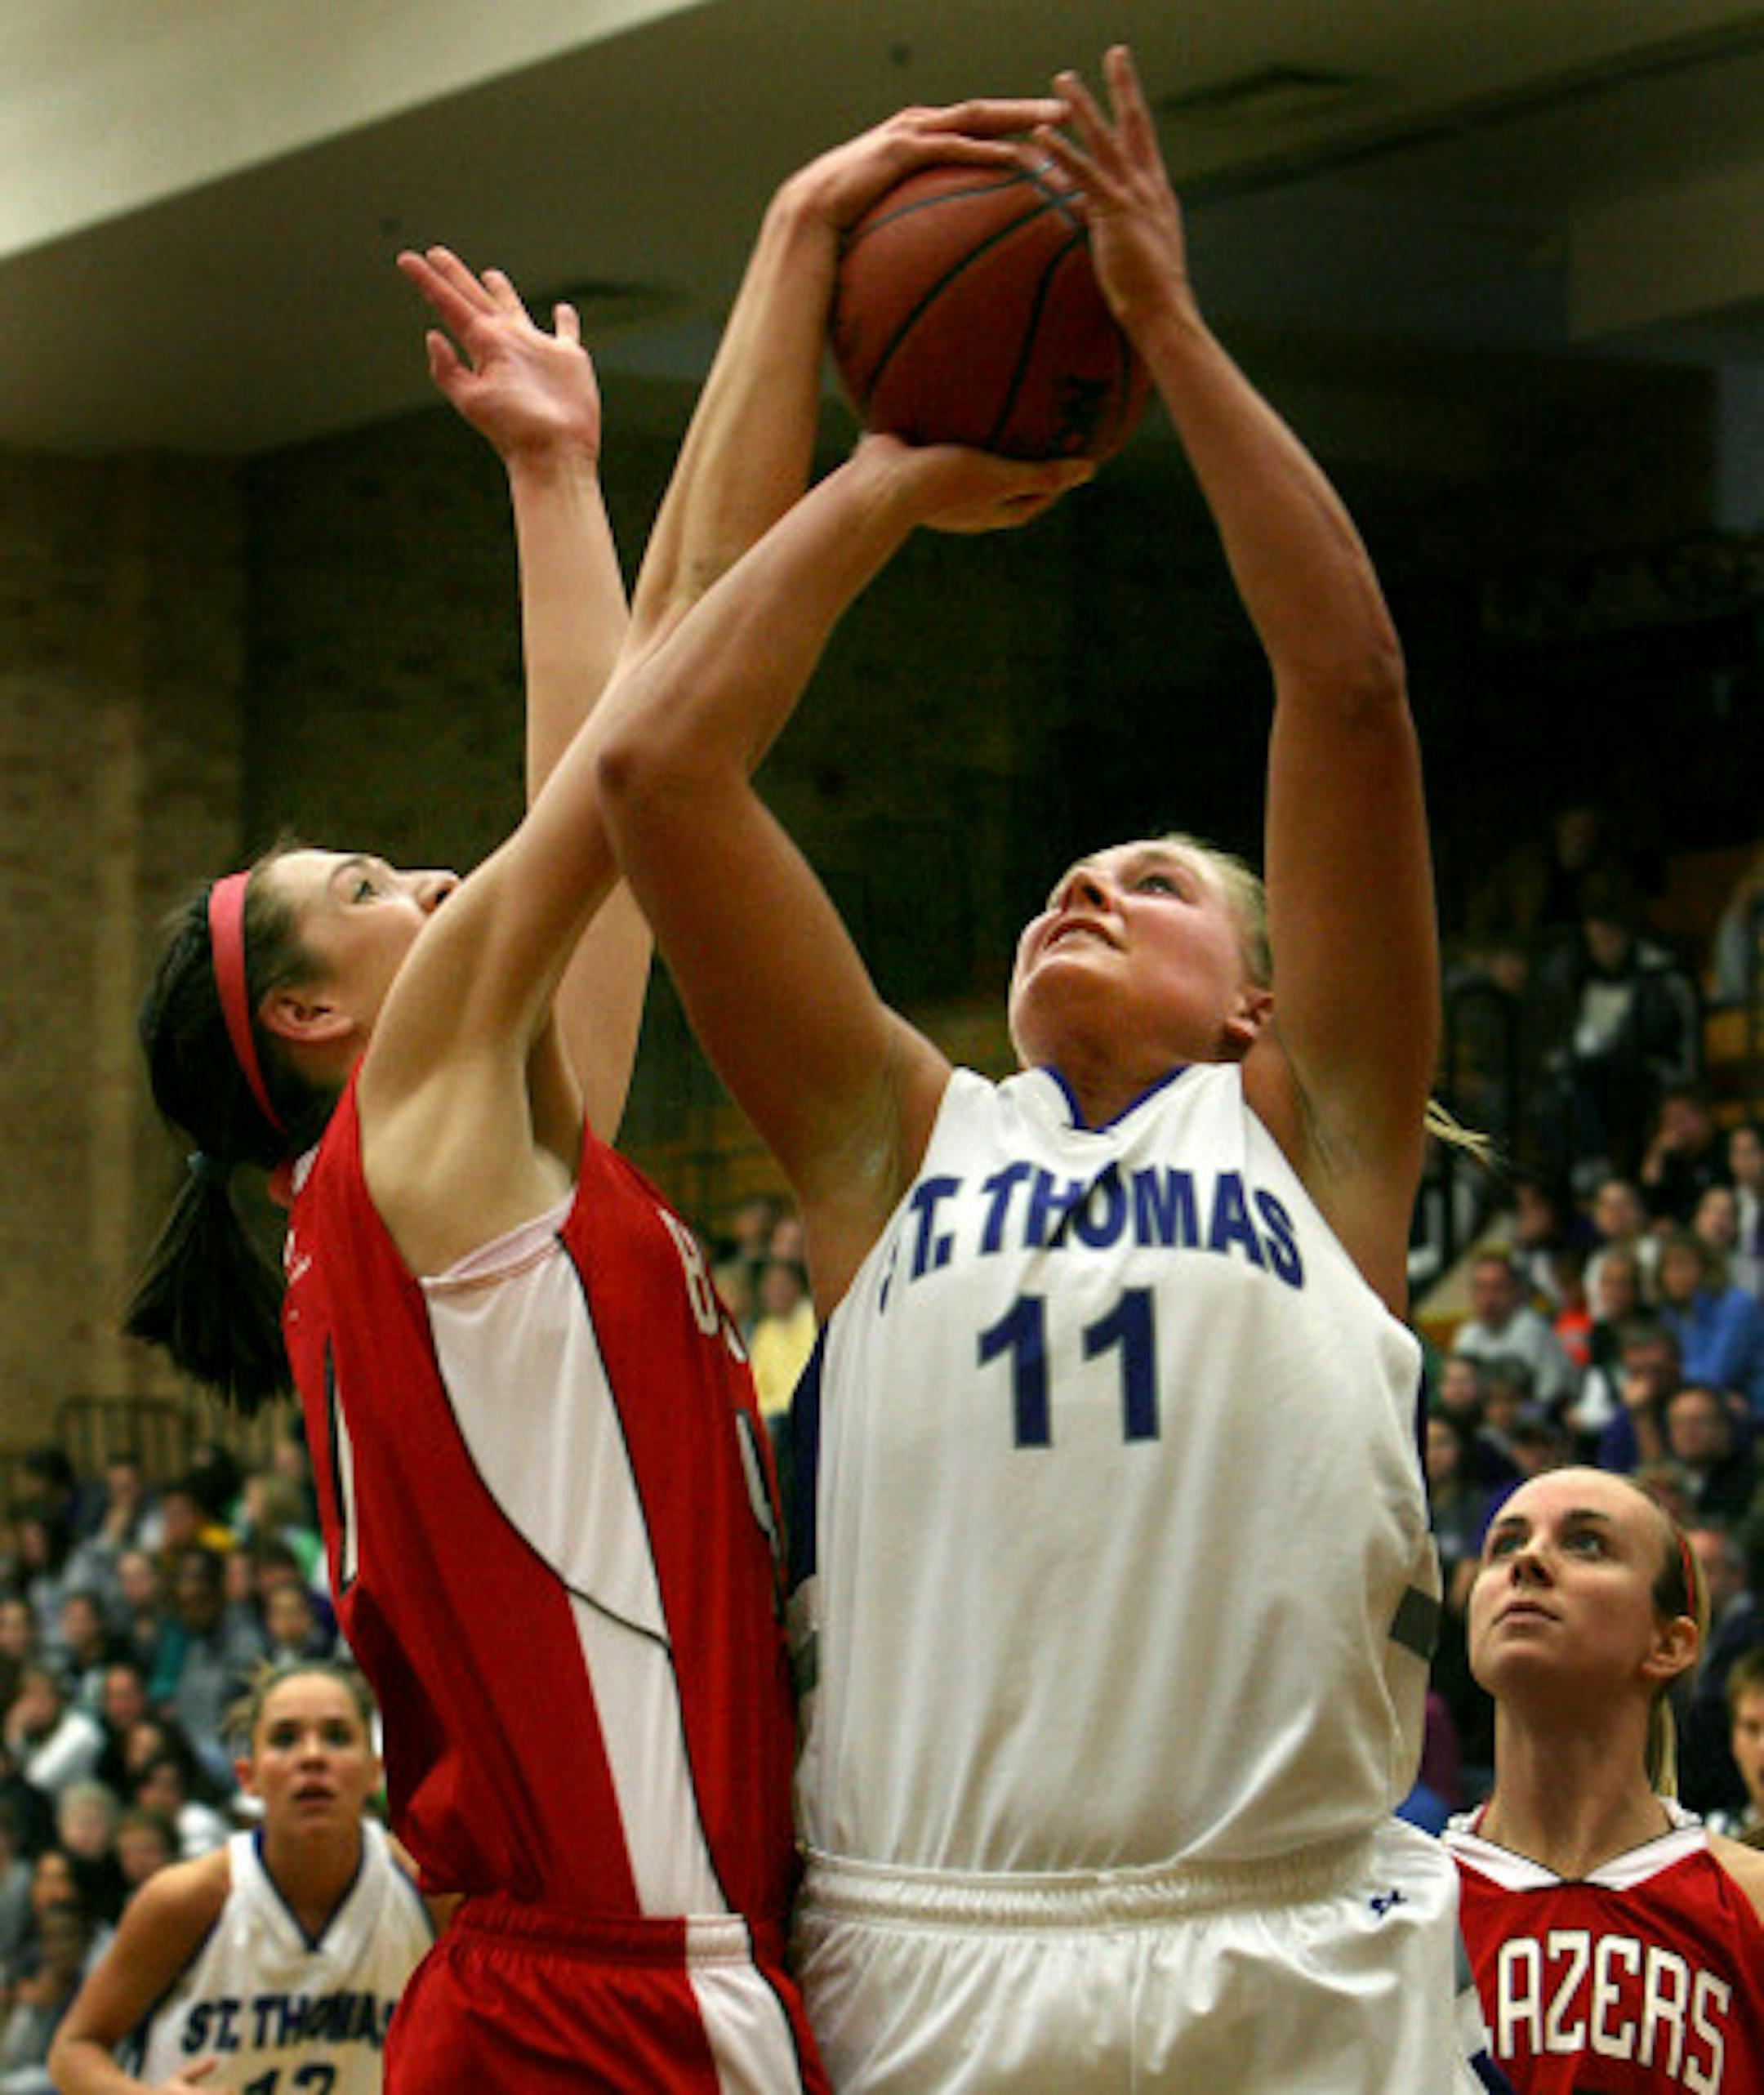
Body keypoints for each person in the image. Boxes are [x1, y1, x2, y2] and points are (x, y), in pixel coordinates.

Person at [595, 47, 1489, 2090]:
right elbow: (654, 771)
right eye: (1067, 880)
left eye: (1154, 882)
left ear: (1262, 1001)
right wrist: (885, 466)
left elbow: (1347, 684)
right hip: (929, 1952)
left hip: (1287, 1940)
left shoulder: (1313, 1134)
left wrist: (1166, 325)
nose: (1082, 883)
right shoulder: (893, 1140)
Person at [122, 248, 826, 2090]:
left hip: (620, 1972)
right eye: (367, 888)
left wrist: (553, 473)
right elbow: (633, 762)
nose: (431, 878)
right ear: (306, 1014)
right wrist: (843, 374)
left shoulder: (476, 1178)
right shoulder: (405, 1129)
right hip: (602, 1991)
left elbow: (616, 823)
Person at [1445, 1466, 1764, 2091]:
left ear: (1670, 1645)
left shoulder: (1750, 1900)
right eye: (1505, 1544)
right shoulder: (1401, 1905)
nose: (1528, 1560)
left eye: (1586, 1542)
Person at [46, 1660, 430, 2095]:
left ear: (375, 1771)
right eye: (285, 1738)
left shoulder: (427, 1890)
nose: (312, 1756)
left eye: (337, 1736)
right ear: (248, 1777)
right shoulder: (189, 1899)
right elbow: (72, 2049)